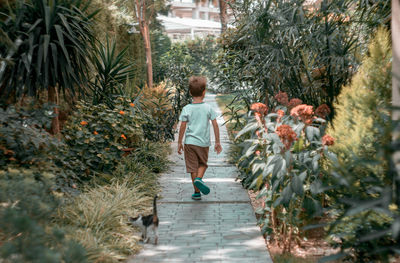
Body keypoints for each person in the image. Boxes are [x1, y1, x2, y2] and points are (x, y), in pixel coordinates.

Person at [177, 76, 222, 200]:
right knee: (202, 164)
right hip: (203, 143)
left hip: (189, 143)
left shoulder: (187, 109)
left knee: (192, 167)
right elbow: (215, 124)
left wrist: (179, 142)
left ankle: (196, 192)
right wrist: (217, 142)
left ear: (190, 93)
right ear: (204, 92)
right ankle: (199, 179)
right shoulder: (208, 108)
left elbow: (182, 126)